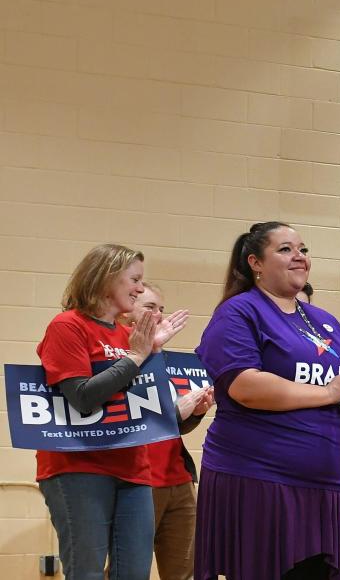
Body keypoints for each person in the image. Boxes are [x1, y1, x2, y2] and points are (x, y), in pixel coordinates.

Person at [194, 221, 340, 580]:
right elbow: (244, 385)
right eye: (285, 249)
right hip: (260, 478)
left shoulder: (323, 320)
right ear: (255, 263)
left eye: (303, 249)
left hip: (323, 486)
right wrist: (331, 391)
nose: (299, 256)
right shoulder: (239, 311)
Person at [36, 244, 188, 580]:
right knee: (87, 572)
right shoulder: (68, 325)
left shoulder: (128, 335)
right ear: (106, 278)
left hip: (133, 468)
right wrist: (136, 357)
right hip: (79, 466)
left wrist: (154, 355)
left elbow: (141, 410)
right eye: (134, 279)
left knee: (134, 573)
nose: (138, 288)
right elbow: (83, 398)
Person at [128, 283, 214, 580]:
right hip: (136, 480)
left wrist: (196, 412)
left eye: (161, 308)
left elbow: (170, 424)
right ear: (128, 311)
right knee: (127, 569)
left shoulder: (166, 361)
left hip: (178, 479)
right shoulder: (119, 357)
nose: (159, 314)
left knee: (183, 572)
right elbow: (127, 418)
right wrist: (178, 410)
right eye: (150, 307)